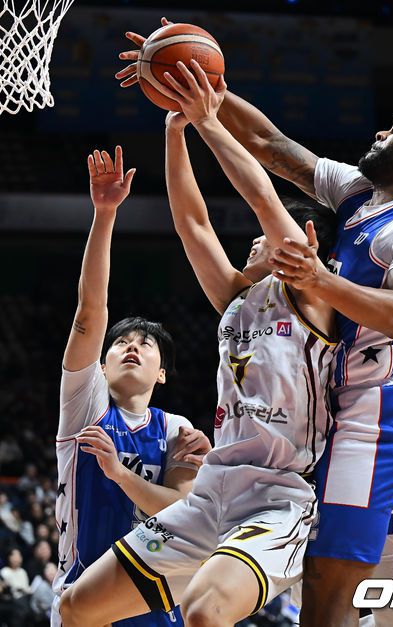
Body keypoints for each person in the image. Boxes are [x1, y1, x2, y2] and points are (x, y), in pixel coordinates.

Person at [116, 23, 393, 626]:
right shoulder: (356, 195)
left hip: (375, 411)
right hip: (333, 407)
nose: (380, 132)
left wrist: (318, 280)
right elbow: (269, 145)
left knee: (326, 595)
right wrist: (196, 86)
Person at [59, 61, 338, 627]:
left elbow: (263, 198)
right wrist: (174, 129)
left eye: (264, 239)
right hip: (211, 495)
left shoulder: (315, 298)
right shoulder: (238, 299)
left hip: (277, 499)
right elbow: (193, 224)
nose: (254, 241)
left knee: (205, 612)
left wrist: (208, 119)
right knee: (77, 606)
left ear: (303, 243)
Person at [52, 145, 212, 627]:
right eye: (121, 342)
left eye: (146, 344)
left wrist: (120, 474)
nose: (131, 348)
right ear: (100, 367)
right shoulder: (85, 405)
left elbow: (180, 510)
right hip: (82, 593)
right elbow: (89, 313)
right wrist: (105, 215)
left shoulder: (176, 428)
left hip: (154, 598)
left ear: (162, 373)